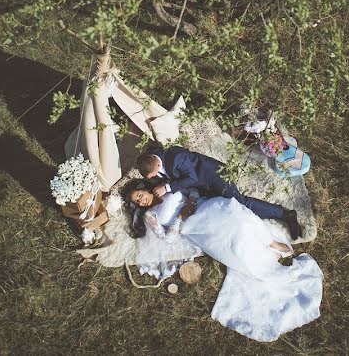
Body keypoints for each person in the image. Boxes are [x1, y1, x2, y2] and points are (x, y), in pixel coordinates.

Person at [123, 182, 323, 342]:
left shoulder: (164, 189)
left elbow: (191, 188)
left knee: (240, 217)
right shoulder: (150, 215)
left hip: (207, 206)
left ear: (145, 189)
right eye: (137, 202)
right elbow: (167, 238)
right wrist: (181, 217)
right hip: (195, 225)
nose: (141, 201)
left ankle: (269, 241)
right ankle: (263, 256)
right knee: (234, 241)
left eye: (140, 196)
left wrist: (190, 200)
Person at [136, 145, 303, 240]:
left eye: (153, 175)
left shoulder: (176, 158)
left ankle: (284, 214)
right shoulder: (153, 157)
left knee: (239, 202)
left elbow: (192, 178)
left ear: (157, 166)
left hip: (215, 176)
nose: (154, 178)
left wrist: (167, 187)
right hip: (203, 187)